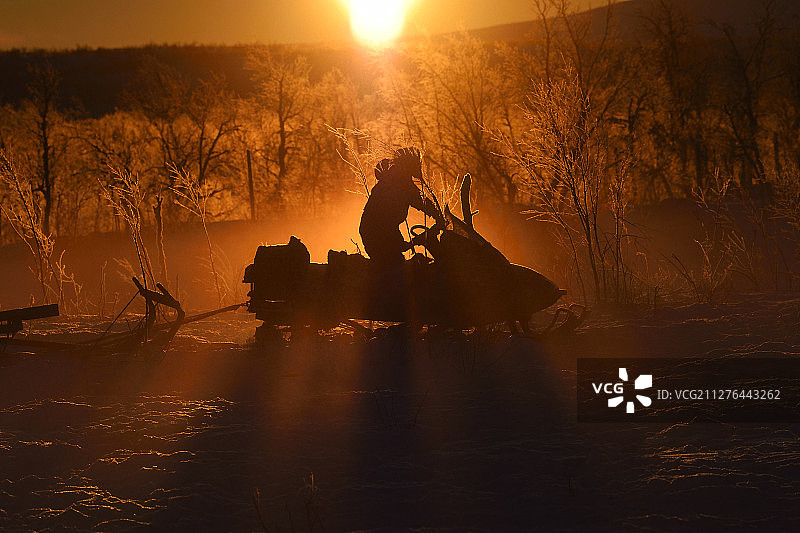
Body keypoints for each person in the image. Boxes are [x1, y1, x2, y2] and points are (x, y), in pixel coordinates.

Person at [359, 147, 441, 267]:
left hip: (375, 233)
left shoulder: (393, 179)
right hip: (378, 235)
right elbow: (421, 201)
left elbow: (420, 200)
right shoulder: (400, 183)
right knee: (395, 266)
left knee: (396, 261)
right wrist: (438, 215)